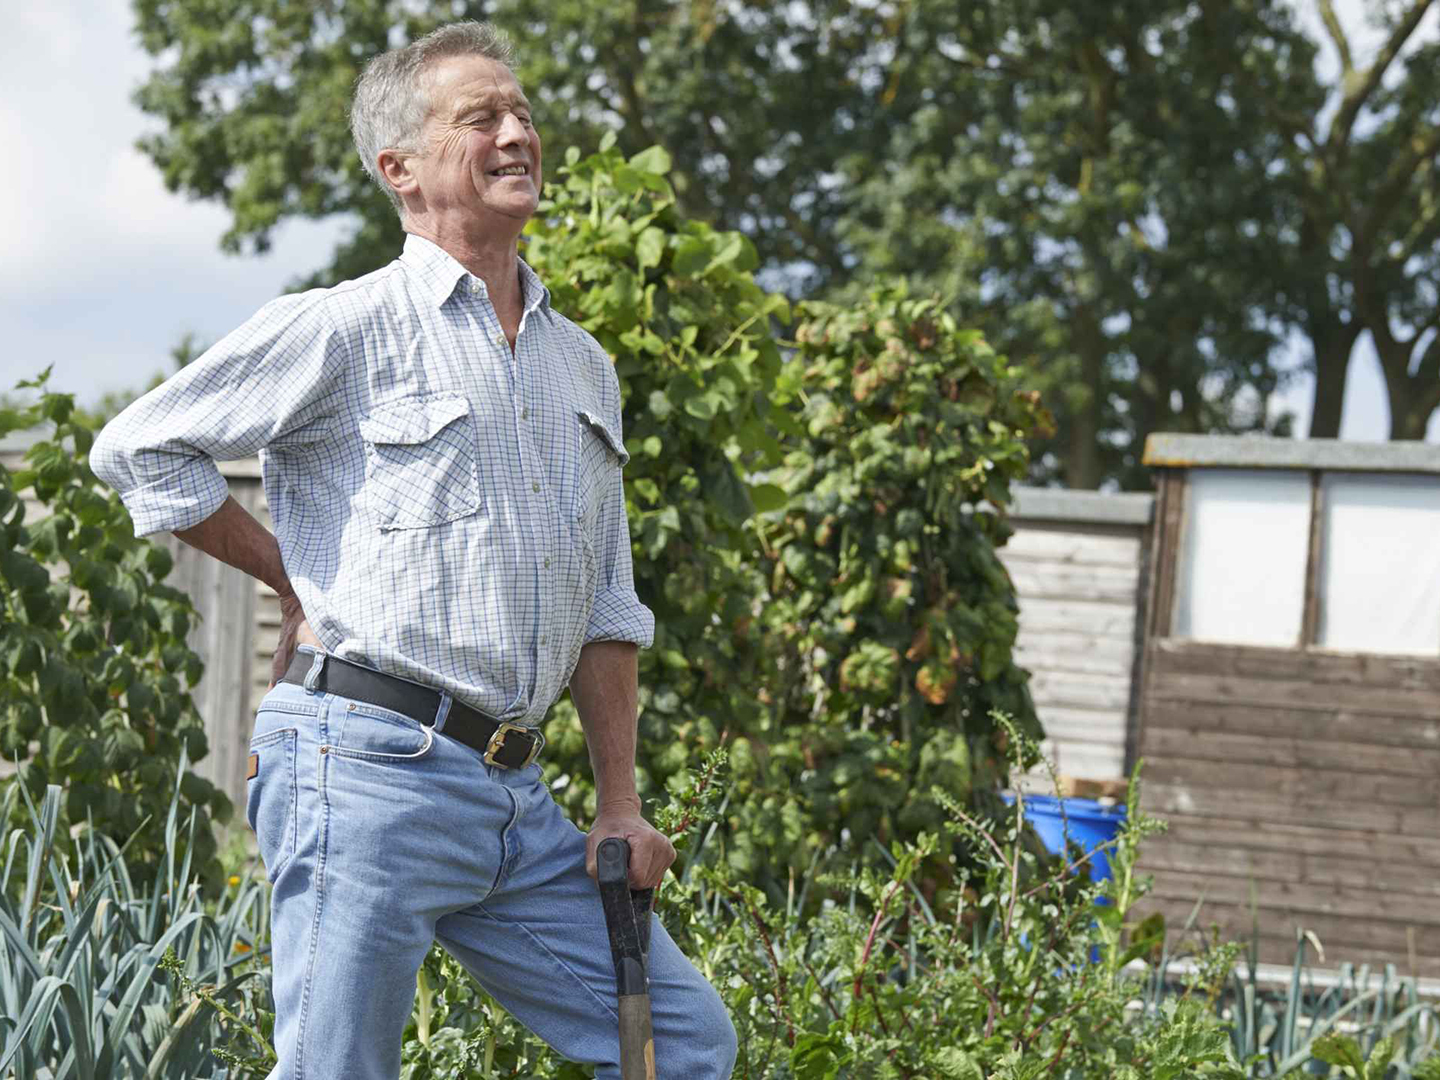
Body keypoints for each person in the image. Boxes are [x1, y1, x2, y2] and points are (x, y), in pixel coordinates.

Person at [90, 20, 736, 1080]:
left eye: (522, 113)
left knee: (683, 1045)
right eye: (480, 118)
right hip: (363, 766)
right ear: (399, 168)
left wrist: (619, 803)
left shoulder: (583, 366)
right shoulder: (345, 326)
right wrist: (291, 575)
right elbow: (138, 449)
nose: (517, 133)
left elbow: (607, 603)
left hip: (514, 796)